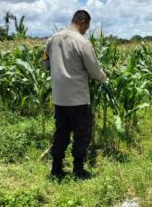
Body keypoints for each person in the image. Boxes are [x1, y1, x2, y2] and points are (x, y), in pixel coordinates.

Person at [43, 10, 106, 179]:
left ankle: (56, 169)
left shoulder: (52, 40)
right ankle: (78, 170)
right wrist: (104, 77)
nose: (86, 30)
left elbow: (45, 64)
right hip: (77, 98)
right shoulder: (82, 43)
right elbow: (94, 72)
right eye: (87, 26)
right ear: (83, 21)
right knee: (81, 134)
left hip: (59, 97)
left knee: (61, 133)